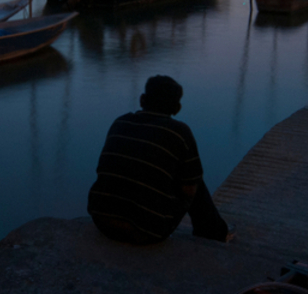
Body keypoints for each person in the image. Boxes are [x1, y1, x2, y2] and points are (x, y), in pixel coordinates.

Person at [87, 75, 231, 245]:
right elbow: (190, 190)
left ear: (142, 100)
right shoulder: (179, 133)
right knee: (194, 180)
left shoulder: (120, 122)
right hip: (146, 232)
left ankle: (215, 231)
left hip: (102, 221)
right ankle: (214, 234)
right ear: (177, 108)